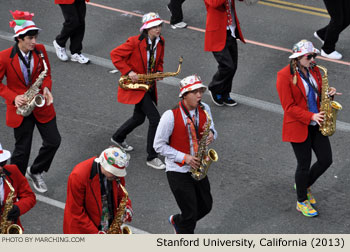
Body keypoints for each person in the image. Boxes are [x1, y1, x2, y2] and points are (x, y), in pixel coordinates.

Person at [276, 40, 341, 217]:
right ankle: (301, 201)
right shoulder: (284, 76)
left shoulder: (314, 70)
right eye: (309, 56)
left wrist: (328, 95)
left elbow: (316, 92)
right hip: (299, 125)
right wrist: (311, 116)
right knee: (303, 165)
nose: (313, 59)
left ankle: (304, 184)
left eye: (314, 56)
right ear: (297, 58)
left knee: (326, 160)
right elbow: (288, 107)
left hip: (317, 123)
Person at [0, 10, 61, 193]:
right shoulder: (4, 57)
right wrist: (13, 97)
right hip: (21, 107)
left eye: (35, 37)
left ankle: (35, 171)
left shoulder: (40, 51)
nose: (35, 42)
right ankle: (15, 186)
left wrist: (47, 89)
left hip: (40, 104)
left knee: (53, 141)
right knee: (22, 151)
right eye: (30, 38)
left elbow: (47, 74)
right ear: (19, 38)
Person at [154, 75, 217, 234]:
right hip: (178, 170)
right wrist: (185, 157)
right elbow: (158, 146)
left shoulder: (205, 109)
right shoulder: (170, 116)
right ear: (184, 95)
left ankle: (178, 221)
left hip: (199, 166)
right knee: (190, 214)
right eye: (194, 92)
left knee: (206, 206)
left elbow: (212, 128)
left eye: (200, 91)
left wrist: (211, 133)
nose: (199, 95)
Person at [110, 12, 166, 170]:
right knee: (155, 119)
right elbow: (115, 55)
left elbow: (159, 60)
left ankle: (118, 137)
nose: (158, 29)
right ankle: (152, 156)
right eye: (154, 26)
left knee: (139, 117)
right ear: (147, 28)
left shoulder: (160, 42)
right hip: (137, 85)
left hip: (148, 85)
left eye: (159, 26)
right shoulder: (134, 42)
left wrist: (159, 71)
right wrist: (129, 72)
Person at [63, 146, 133, 234]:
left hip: (106, 220)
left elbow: (122, 194)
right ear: (103, 165)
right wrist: (95, 233)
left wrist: (127, 207)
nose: (117, 177)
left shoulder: (115, 173)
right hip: (83, 229)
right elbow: (76, 211)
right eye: (113, 173)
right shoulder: (78, 176)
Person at [204, 0, 246, 107]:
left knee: (233, 66)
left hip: (231, 30)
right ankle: (214, 88)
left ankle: (225, 92)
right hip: (217, 33)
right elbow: (214, 3)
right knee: (227, 66)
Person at [0, 143, 36, 233]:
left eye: (2, 163)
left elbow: (29, 196)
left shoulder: (13, 171)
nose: (1, 168)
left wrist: (18, 208)